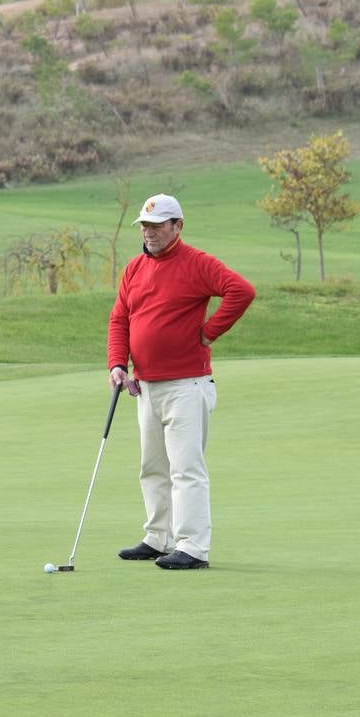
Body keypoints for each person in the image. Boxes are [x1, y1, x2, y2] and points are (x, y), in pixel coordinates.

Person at [108, 193, 255, 570]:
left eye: (158, 226)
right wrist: (117, 364)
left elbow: (242, 291)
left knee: (186, 468)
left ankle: (192, 547)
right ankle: (159, 538)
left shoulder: (197, 263)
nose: (150, 232)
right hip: (146, 386)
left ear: (178, 226)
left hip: (187, 386)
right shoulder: (134, 269)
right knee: (152, 467)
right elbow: (120, 320)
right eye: (145, 225)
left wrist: (209, 332)